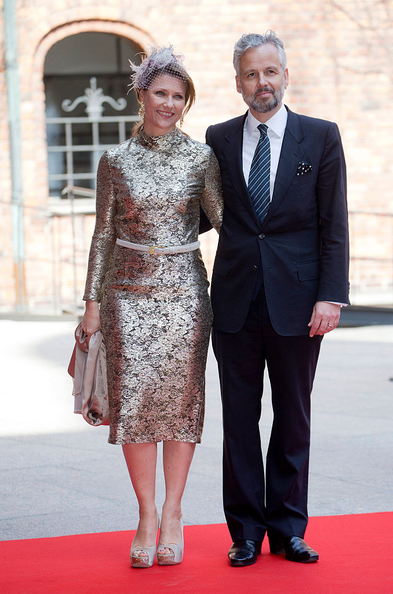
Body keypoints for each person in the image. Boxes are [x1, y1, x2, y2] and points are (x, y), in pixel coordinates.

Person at [206, 31, 349, 566]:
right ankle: (244, 531)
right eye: (250, 74)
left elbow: (334, 223)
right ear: (238, 81)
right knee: (239, 420)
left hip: (299, 301)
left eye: (270, 72)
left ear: (285, 75)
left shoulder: (320, 136)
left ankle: (288, 528)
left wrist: (331, 295)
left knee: (293, 416)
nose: (260, 83)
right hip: (235, 302)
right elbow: (204, 212)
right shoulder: (218, 138)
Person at [81, 45, 223, 569]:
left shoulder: (201, 158)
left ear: (187, 103)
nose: (168, 104)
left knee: (181, 407)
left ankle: (174, 514)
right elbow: (102, 234)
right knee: (136, 406)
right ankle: (145, 515)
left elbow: (228, 226)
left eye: (178, 97)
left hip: (186, 295)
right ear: (141, 94)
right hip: (125, 296)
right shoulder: (114, 161)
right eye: (160, 93)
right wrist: (92, 303)